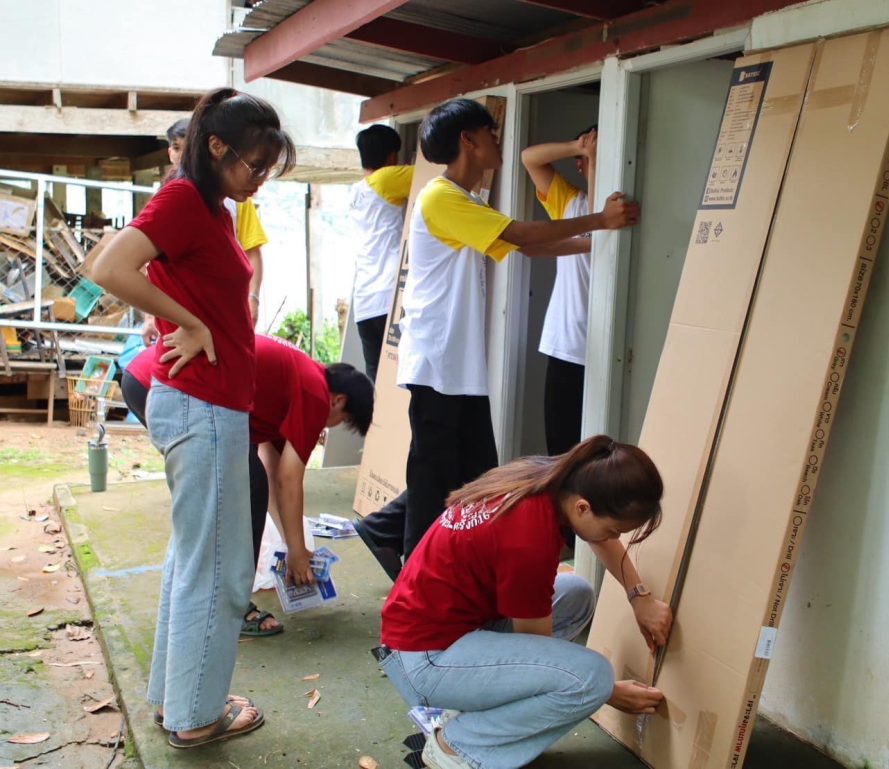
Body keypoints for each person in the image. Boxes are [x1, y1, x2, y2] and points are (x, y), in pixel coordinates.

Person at [90, 87, 295, 749]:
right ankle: (197, 717)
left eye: (267, 168)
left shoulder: (210, 207)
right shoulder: (183, 199)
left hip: (208, 403)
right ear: (216, 146)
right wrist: (189, 322)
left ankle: (178, 701)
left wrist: (189, 318)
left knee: (194, 561)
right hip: (202, 405)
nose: (258, 179)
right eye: (254, 165)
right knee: (219, 570)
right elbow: (108, 266)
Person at [356, 98, 639, 575]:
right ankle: (412, 570)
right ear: (468, 140)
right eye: (490, 132)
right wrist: (599, 221)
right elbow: (523, 235)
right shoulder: (441, 196)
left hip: (457, 366)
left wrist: (594, 239)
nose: (497, 140)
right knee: (435, 475)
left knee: (474, 474)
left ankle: (402, 542)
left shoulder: (465, 200)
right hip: (438, 363)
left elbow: (525, 247)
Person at [377, 435, 671, 769]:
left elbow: (596, 534)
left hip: (434, 633)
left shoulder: (544, 479)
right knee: (593, 678)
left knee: (576, 595)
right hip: (426, 660)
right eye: (614, 530)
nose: (614, 538)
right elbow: (538, 648)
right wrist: (608, 693)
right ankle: (456, 745)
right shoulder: (529, 539)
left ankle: (469, 705)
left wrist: (639, 598)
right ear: (582, 508)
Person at [121, 334, 374, 636]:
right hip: (167, 386)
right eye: (342, 420)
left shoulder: (298, 378)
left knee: (247, 484)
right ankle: (230, 607)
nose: (330, 426)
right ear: (338, 401)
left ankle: (208, 598)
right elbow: (289, 479)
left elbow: (274, 469)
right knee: (247, 490)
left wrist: (293, 546)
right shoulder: (315, 393)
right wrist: (295, 551)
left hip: (148, 379)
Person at [140, 117, 270, 344]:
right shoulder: (171, 200)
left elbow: (252, 252)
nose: (183, 156)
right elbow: (127, 267)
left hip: (222, 314)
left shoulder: (235, 201)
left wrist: (253, 297)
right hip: (186, 319)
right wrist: (158, 317)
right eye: (177, 148)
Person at [522, 126, 598, 455]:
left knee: (597, 454)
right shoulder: (569, 203)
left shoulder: (626, 210)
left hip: (611, 351)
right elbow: (530, 159)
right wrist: (579, 147)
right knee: (562, 449)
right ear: (579, 165)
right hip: (567, 345)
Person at [351, 124, 413, 383]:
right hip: (389, 295)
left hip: (364, 301)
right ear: (391, 157)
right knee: (403, 379)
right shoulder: (386, 178)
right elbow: (434, 174)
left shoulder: (357, 191)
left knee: (376, 381)